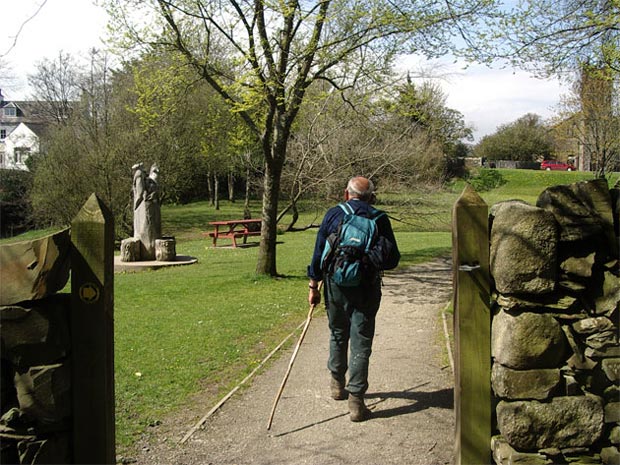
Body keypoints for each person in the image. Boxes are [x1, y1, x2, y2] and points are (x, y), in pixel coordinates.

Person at [307, 176, 400, 422]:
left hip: (335, 285)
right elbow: (392, 259)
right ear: (371, 196)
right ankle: (356, 402)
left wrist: (313, 285)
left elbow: (318, 253)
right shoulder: (379, 218)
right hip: (366, 288)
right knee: (362, 341)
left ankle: (337, 384)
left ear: (346, 194)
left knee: (338, 333)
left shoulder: (333, 214)